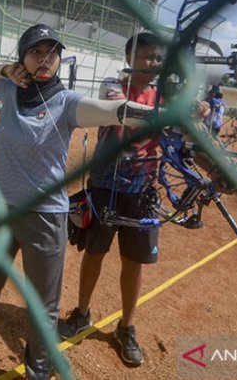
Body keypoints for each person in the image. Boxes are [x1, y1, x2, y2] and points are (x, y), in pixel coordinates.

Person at [0, 24, 155, 380]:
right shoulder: (9, 91)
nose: (45, 59)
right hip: (0, 207)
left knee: (44, 301)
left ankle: (38, 368)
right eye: (36, 52)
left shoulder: (67, 102)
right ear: (23, 55)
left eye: (52, 52)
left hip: (45, 216)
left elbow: (114, 111)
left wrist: (165, 112)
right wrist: (6, 70)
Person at [57, 32, 163, 366]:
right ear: (130, 58)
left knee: (134, 263)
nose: (152, 63)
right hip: (106, 186)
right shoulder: (111, 86)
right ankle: (82, 313)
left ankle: (126, 327)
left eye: (157, 58)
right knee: (95, 252)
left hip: (142, 192)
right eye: (145, 56)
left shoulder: (162, 95)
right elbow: (124, 112)